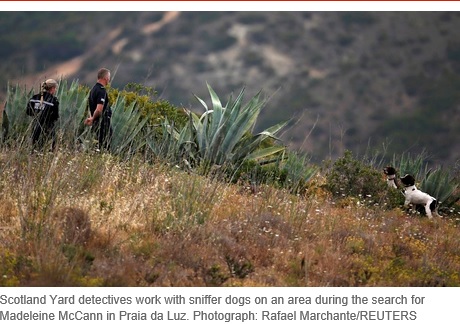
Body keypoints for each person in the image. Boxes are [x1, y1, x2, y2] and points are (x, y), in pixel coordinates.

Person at [26, 79, 60, 151]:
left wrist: (37, 114)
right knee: (48, 150)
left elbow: (28, 111)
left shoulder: (34, 98)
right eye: (55, 88)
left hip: (34, 127)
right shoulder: (53, 100)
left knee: (34, 149)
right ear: (52, 88)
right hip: (48, 129)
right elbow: (55, 116)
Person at [85, 68, 112, 151]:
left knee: (98, 146)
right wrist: (93, 118)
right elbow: (99, 109)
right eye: (108, 78)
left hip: (96, 124)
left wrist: (92, 118)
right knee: (104, 147)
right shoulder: (101, 91)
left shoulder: (93, 89)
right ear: (105, 78)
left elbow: (91, 107)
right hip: (102, 123)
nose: (109, 80)